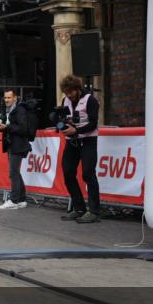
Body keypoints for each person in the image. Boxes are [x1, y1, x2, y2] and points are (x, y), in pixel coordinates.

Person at [58, 75, 102, 223]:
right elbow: (64, 119)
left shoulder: (90, 100)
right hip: (72, 142)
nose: (68, 96)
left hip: (88, 140)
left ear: (77, 89)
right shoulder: (65, 101)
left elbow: (93, 124)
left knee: (88, 173)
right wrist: (62, 125)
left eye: (71, 92)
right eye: (66, 93)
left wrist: (75, 130)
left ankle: (94, 211)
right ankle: (79, 208)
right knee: (68, 172)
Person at [0, 88, 30, 210]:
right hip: (10, 144)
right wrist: (0, 127)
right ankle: (22, 199)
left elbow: (23, 128)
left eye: (9, 97)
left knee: (13, 173)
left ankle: (13, 200)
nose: (6, 100)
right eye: (5, 98)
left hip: (18, 145)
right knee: (15, 172)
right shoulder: (7, 110)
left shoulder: (19, 109)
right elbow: (9, 127)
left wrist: (7, 127)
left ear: (15, 98)